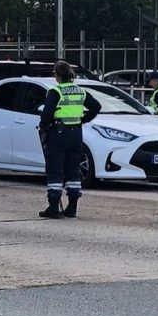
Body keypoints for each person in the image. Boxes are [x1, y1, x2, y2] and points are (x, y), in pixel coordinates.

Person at [37, 60, 101, 219]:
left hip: (59, 133)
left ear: (57, 75)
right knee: (73, 169)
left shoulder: (56, 91)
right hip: (76, 134)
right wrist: (83, 120)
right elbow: (96, 107)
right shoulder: (80, 91)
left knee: (55, 169)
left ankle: (53, 206)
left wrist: (44, 126)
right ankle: (72, 207)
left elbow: (46, 115)